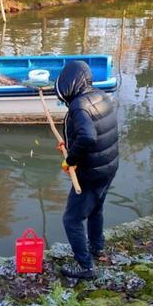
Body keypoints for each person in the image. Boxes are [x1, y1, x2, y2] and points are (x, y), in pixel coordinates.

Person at [54, 60, 119, 280]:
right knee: (95, 210)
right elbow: (98, 131)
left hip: (91, 173)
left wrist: (71, 159)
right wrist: (68, 144)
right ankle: (97, 248)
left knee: (71, 220)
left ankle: (86, 266)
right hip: (109, 167)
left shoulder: (78, 106)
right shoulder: (102, 95)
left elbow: (89, 136)